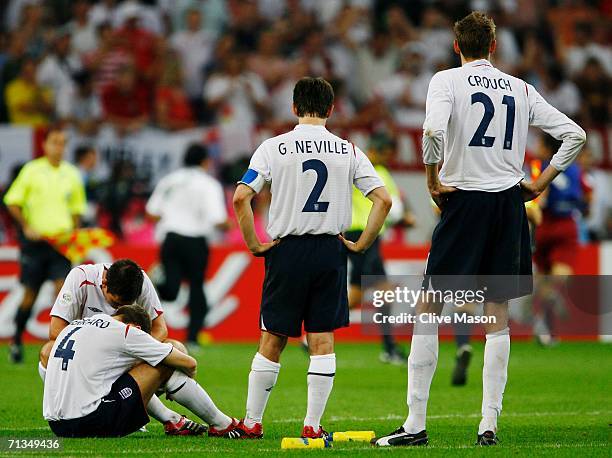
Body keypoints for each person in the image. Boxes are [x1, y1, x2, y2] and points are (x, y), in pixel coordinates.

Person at [373, 12, 586, 447]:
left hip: (465, 201)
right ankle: (489, 425)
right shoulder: (521, 89)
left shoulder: (447, 82)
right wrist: (540, 183)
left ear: (457, 46)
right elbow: (575, 134)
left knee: (429, 309)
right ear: (493, 46)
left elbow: (433, 129)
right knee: (497, 316)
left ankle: (415, 425)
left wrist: (432, 179)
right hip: (508, 204)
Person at [230, 77, 391, 439]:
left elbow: (242, 197)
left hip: (286, 250)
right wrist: (362, 243)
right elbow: (383, 199)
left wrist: (254, 244)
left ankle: (253, 422)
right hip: (329, 251)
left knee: (272, 338)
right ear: (332, 109)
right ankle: (313, 425)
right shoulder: (348, 150)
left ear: (294, 108)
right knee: (322, 340)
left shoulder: (273, 147)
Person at [37, 258, 235, 436]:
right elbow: (56, 332)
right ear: (103, 284)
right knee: (47, 351)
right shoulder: (81, 279)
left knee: (174, 348)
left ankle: (168, 418)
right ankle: (214, 423)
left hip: (59, 421)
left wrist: (132, 353)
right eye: (114, 302)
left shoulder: (140, 281)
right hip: (85, 362)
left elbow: (160, 329)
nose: (115, 308)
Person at [3, 128, 86, 363]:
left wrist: (75, 234)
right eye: (55, 142)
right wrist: (26, 226)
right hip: (35, 245)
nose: (59, 147)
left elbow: (77, 210)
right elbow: (12, 202)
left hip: (60, 244)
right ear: (45, 145)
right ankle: (17, 340)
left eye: (63, 143)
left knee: (65, 293)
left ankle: (64, 346)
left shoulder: (72, 174)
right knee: (30, 295)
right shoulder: (32, 170)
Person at [146, 144, 228, 350]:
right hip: (196, 241)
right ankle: (192, 337)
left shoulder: (170, 180)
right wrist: (230, 224)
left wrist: (174, 214)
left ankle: (156, 284)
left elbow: (152, 212)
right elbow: (217, 218)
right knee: (196, 288)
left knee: (172, 290)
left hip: (171, 238)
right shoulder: (209, 184)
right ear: (205, 161)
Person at [344, 132, 413, 365]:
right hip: (362, 235)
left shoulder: (353, 168)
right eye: (383, 152)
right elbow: (393, 209)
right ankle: (312, 334)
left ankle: (389, 347)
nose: (384, 156)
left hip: (367, 235)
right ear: (374, 149)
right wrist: (404, 218)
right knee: (357, 296)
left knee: (384, 292)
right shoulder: (372, 171)